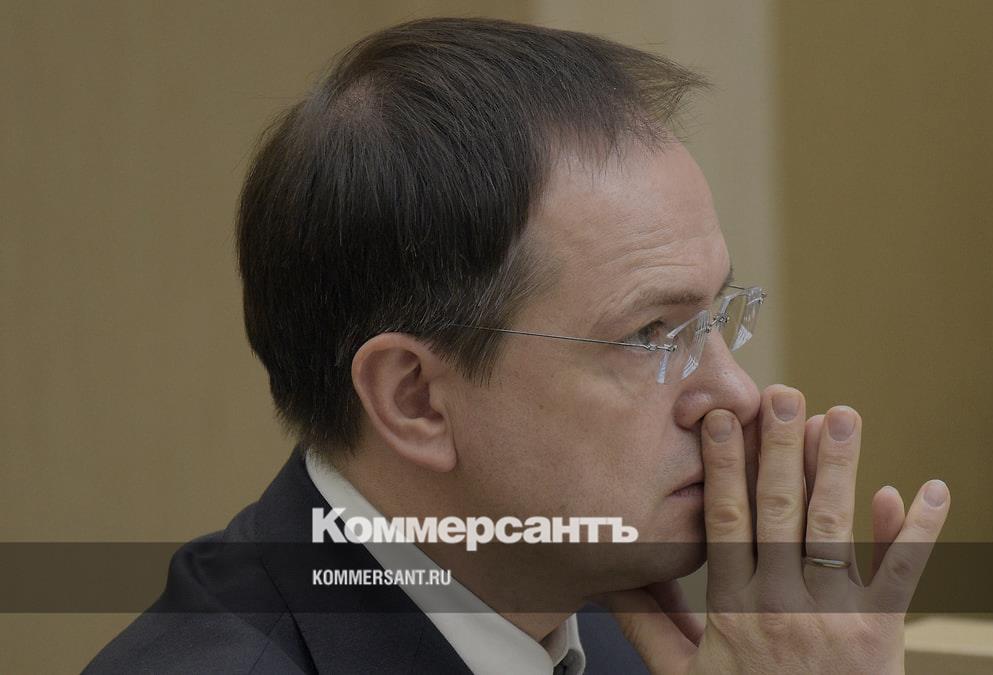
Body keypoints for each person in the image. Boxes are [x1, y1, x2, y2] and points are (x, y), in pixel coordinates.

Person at [87, 16, 949, 674]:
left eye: (715, 316)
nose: (736, 395)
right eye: (651, 333)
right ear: (415, 399)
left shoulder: (623, 625)